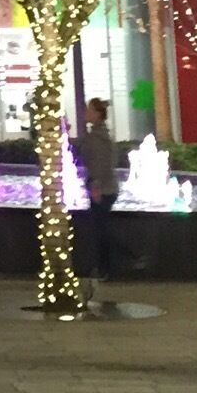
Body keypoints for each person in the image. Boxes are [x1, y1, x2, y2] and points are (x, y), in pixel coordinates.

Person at [77, 97, 118, 282]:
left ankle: (108, 267)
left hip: (103, 189)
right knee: (101, 229)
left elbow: (101, 164)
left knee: (102, 230)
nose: (86, 113)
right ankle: (103, 268)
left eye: (89, 110)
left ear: (97, 114)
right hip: (104, 188)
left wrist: (95, 186)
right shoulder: (98, 134)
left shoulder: (98, 137)